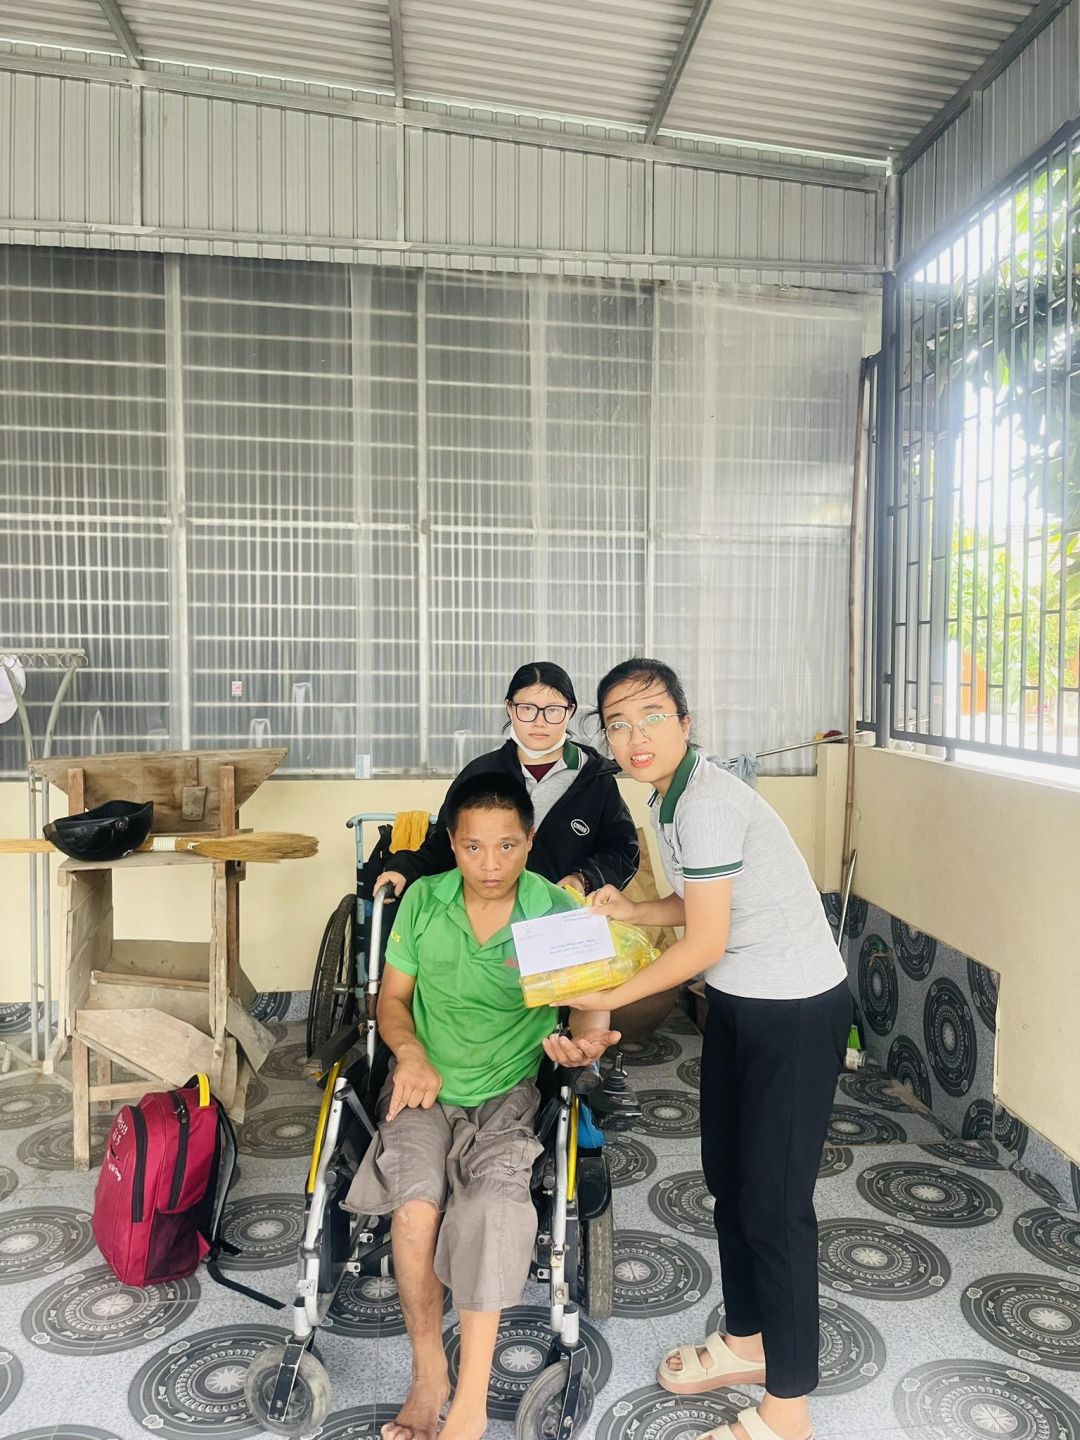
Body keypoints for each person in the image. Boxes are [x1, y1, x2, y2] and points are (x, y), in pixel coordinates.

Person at [571, 658, 850, 1440]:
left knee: (776, 1207)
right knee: (731, 1183)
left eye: (652, 716)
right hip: (737, 1003)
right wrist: (634, 910)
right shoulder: (669, 797)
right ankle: (748, 1343)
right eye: (618, 723)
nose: (635, 736)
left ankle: (788, 1407)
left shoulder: (709, 804)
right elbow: (700, 903)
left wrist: (607, 998)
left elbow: (705, 942)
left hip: (794, 1011)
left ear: (686, 723)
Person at [345, 771, 619, 1440]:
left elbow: (589, 1011)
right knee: (415, 1210)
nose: (489, 864)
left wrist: (584, 1046)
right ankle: (428, 1375)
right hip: (424, 1084)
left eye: (506, 846)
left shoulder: (554, 910)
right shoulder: (425, 901)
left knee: (490, 1210)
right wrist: (410, 1053)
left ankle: (468, 1402)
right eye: (473, 847)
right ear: (452, 843)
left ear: (529, 841)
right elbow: (392, 1001)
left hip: (509, 1090)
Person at [376, 661, 638, 899]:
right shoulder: (481, 774)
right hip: (486, 915)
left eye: (553, 710)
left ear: (570, 711)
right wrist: (406, 868)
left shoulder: (594, 777)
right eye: (527, 709)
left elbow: (622, 851)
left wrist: (583, 879)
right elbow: (447, 843)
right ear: (510, 709)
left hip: (563, 917)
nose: (539, 722)